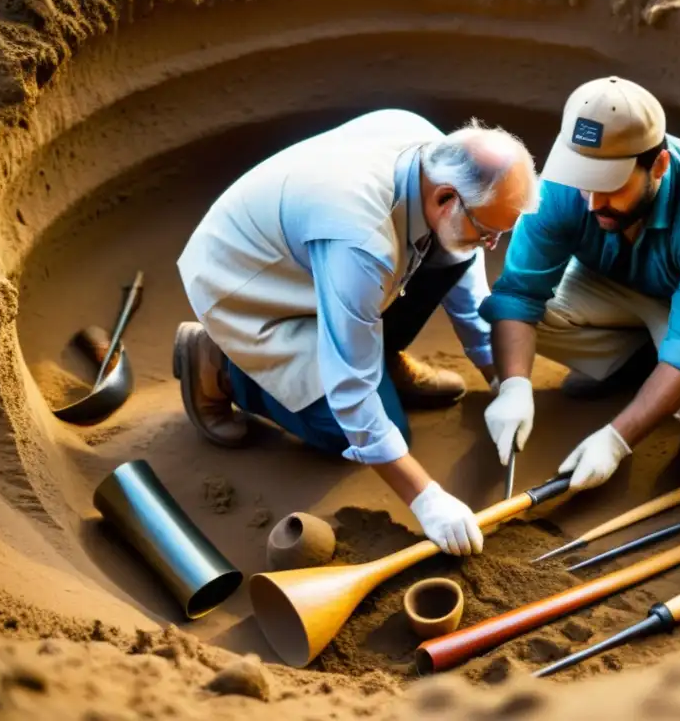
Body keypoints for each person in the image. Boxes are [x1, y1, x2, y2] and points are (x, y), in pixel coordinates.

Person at [173, 109, 539, 556]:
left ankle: (380, 353)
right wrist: (427, 499)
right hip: (248, 287)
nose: (491, 245)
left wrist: (504, 383)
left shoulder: (434, 155)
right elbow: (352, 394)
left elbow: (461, 277)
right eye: (488, 231)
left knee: (446, 253)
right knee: (360, 433)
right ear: (446, 198)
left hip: (326, 268)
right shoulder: (362, 241)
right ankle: (220, 365)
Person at [481, 76, 680, 493]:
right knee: (530, 318)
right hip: (624, 288)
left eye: (611, 185)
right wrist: (515, 385)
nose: (593, 202)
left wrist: (616, 440)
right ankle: (639, 364)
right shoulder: (563, 187)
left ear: (659, 166)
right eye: (584, 180)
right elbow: (519, 294)